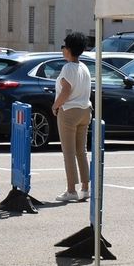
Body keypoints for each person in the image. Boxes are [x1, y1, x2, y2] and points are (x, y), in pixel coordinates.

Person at [53, 31, 94, 202]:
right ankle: (85, 188)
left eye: (64, 47)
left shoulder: (68, 67)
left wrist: (56, 105)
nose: (62, 50)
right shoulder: (84, 67)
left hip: (69, 112)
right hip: (85, 111)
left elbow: (66, 90)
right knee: (81, 151)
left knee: (68, 152)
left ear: (69, 49)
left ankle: (71, 190)